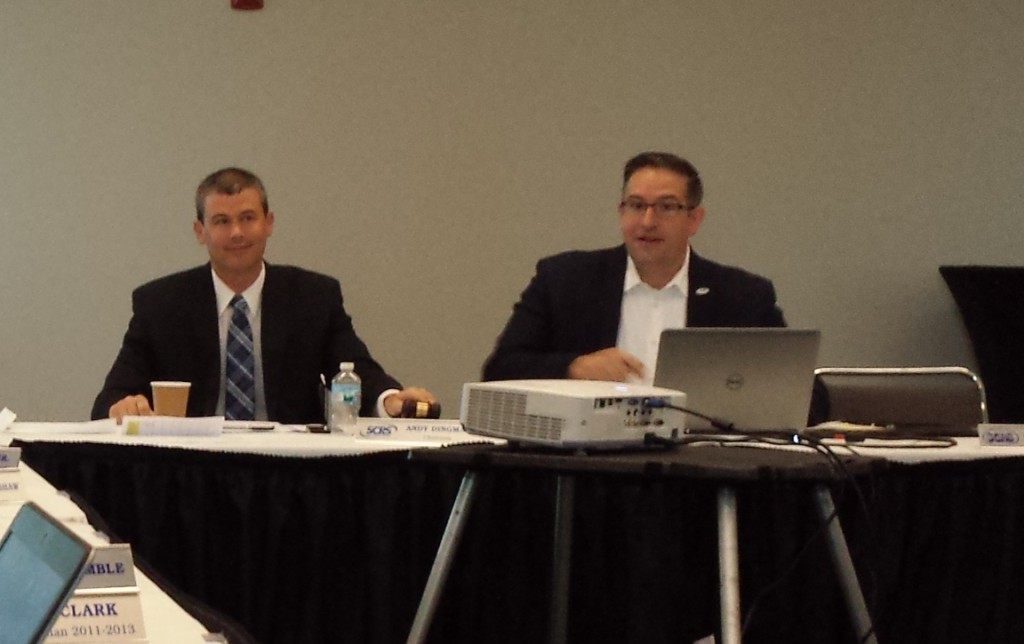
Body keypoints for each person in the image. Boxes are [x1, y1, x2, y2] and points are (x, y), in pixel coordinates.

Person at [93, 167, 436, 424]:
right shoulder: (161, 304)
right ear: (201, 231)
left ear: (268, 223)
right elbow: (110, 397)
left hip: (290, 474)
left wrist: (390, 401)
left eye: (248, 218)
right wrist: (121, 406)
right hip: (194, 472)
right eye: (222, 221)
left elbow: (355, 371)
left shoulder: (313, 297)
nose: (237, 233)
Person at [482, 151, 785, 384]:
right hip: (589, 460)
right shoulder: (565, 280)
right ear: (621, 212)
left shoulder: (743, 296)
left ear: (693, 219)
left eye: (666, 207)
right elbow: (500, 370)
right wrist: (574, 367)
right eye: (637, 205)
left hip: (702, 458)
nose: (647, 222)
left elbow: (806, 395)